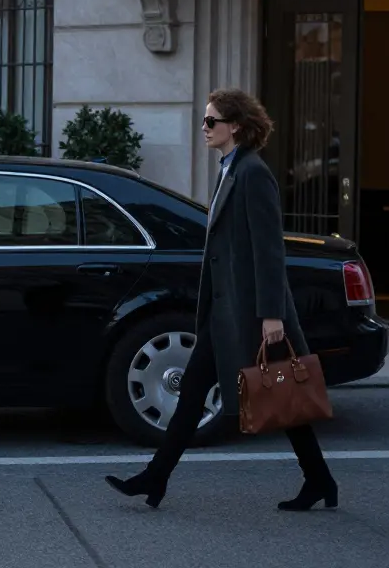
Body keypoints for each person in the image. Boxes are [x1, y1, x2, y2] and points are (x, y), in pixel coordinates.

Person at [104, 88, 337, 512]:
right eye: (204, 120)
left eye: (212, 122)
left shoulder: (252, 173)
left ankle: (319, 478)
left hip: (248, 309)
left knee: (280, 392)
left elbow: (269, 250)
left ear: (237, 127)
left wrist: (271, 315)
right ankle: (155, 478)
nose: (205, 128)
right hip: (225, 309)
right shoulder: (229, 169)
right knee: (194, 392)